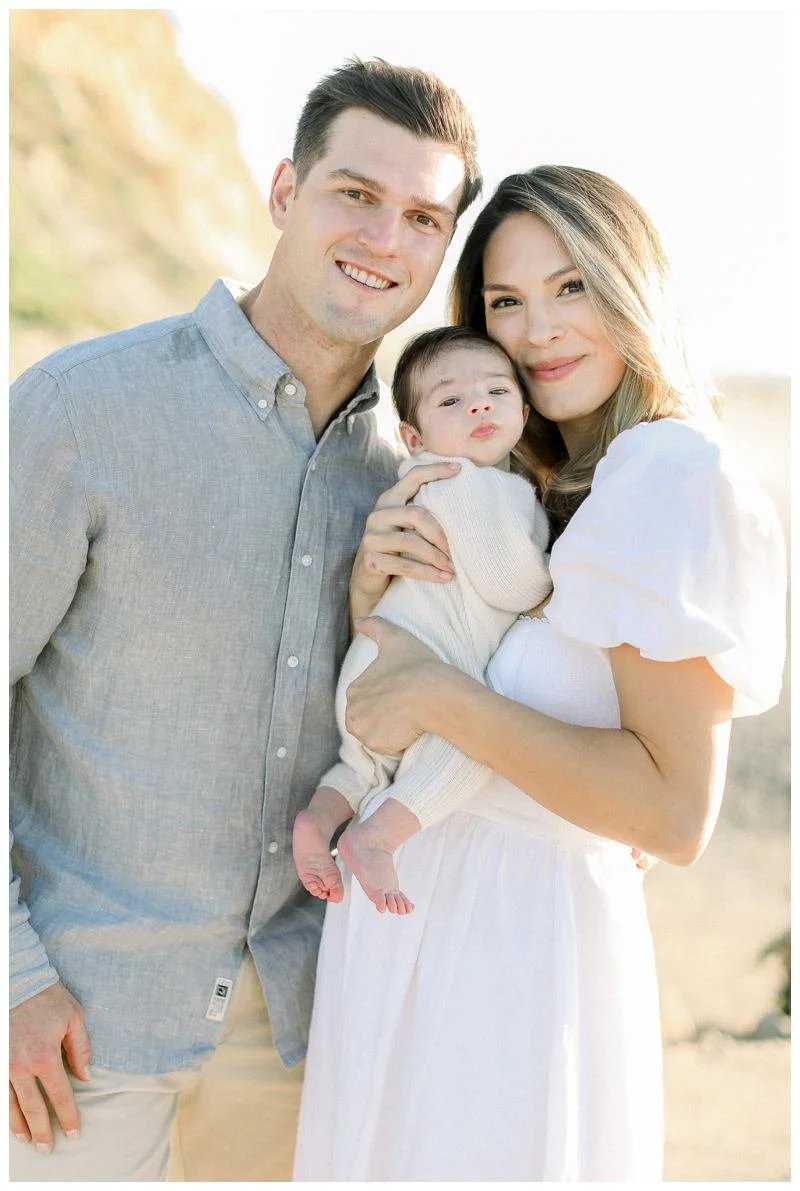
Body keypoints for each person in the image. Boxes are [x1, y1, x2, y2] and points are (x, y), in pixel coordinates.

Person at [9, 58, 482, 1181]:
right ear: (282, 192)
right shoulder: (84, 409)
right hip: (74, 1035)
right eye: (353, 194)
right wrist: (10, 977)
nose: (382, 237)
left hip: (302, 1047)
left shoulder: (418, 482)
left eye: (421, 217)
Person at [292, 166, 787, 1181]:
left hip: (512, 969)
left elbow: (670, 815)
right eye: (505, 303)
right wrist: (378, 597)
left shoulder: (668, 476)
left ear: (629, 285)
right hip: (427, 946)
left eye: (570, 288)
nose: (536, 332)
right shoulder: (548, 485)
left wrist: (437, 695)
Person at [292, 326, 551, 914]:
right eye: (452, 400)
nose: (479, 404)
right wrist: (559, 582)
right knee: (475, 747)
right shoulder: (463, 481)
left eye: (496, 391)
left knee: (360, 764)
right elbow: (509, 582)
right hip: (416, 667)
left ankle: (320, 820)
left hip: (380, 662)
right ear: (413, 436)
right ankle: (374, 836)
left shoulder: (475, 483)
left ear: (524, 409)